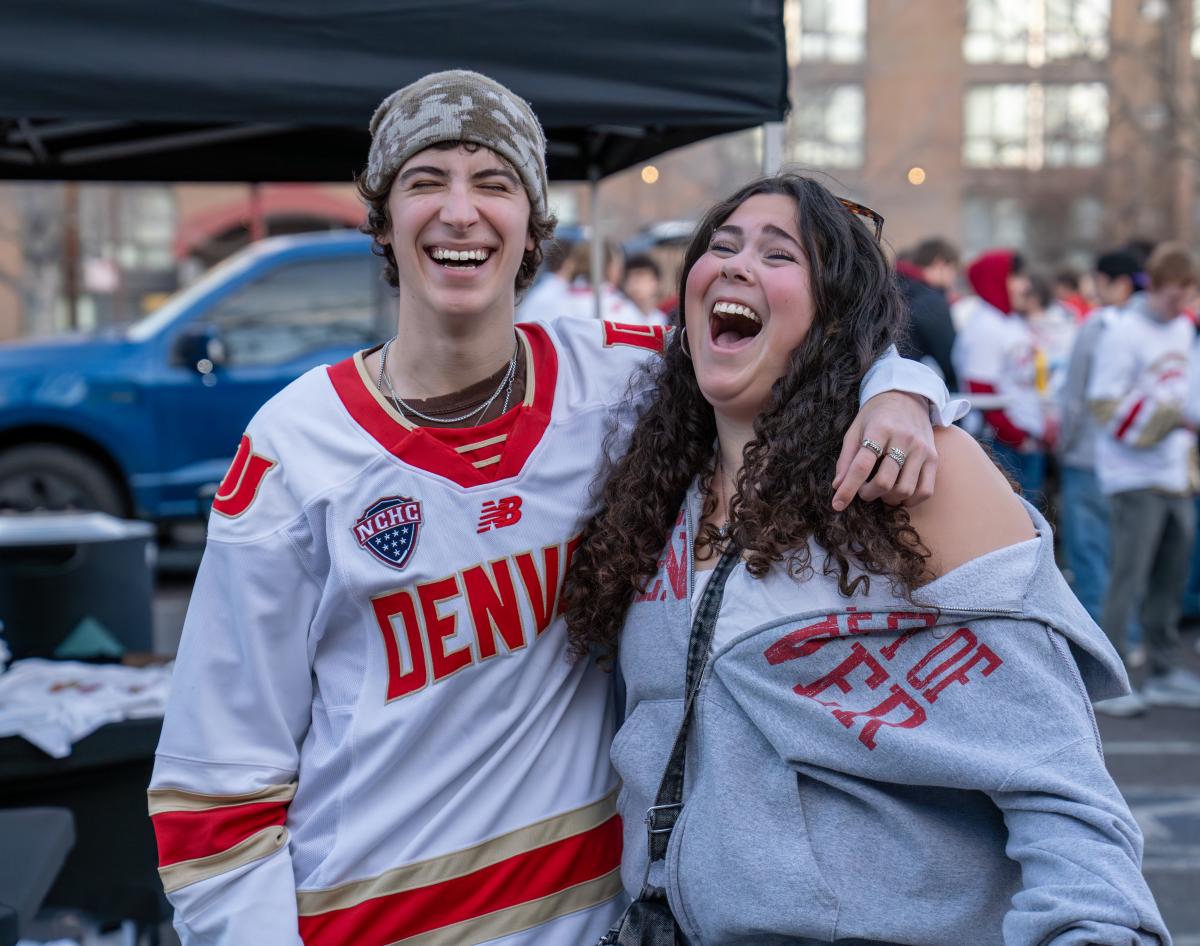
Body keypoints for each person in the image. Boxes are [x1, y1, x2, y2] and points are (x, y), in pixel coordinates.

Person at [146, 71, 957, 946]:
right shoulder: (295, 449)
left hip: (589, 923)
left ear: (534, 227)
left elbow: (788, 350)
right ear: (382, 222)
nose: (461, 212)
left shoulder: (617, 375)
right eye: (426, 182)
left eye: (493, 183)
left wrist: (902, 391)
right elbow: (216, 787)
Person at [563, 172, 1168, 946]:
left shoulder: (919, 481)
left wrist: (1095, 930)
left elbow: (1058, 782)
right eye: (720, 246)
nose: (737, 264)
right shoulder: (651, 502)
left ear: (835, 314)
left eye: (780, 255)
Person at [1089, 241, 1200, 716]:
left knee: (1171, 576)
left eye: (1187, 296)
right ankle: (1109, 681)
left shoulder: (1183, 328)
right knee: (1128, 578)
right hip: (1132, 473)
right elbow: (1103, 402)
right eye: (1174, 295)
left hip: (1175, 471)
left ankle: (1163, 668)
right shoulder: (1123, 331)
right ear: (1154, 286)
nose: (1179, 305)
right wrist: (1168, 420)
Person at [1057, 249, 1141, 624]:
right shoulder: (1158, 325)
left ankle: (1101, 640)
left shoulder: (1098, 326)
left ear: (1115, 283)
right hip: (1140, 459)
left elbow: (1075, 396)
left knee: (1089, 553)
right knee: (1129, 554)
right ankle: (1132, 634)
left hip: (1090, 453)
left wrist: (1064, 442)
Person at [953, 249, 1053, 503]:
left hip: (1024, 440)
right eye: (1017, 277)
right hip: (1003, 445)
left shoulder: (1007, 321)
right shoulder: (984, 327)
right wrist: (1017, 437)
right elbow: (981, 391)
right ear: (997, 279)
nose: (1025, 285)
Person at [895, 236, 959, 390]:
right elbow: (951, 360)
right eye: (954, 269)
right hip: (917, 390)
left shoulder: (895, 287)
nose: (954, 278)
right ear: (940, 263)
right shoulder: (930, 300)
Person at [620, 252, 669, 326]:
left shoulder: (661, 319)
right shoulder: (617, 314)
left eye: (641, 276)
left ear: (656, 282)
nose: (634, 283)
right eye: (630, 278)